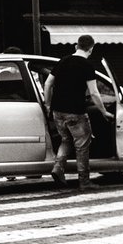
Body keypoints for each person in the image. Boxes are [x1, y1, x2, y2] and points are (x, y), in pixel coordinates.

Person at [43, 34, 108, 190]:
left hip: (58, 111)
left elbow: (47, 84)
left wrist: (48, 105)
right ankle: (84, 181)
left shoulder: (63, 61)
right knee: (82, 146)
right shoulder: (87, 66)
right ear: (91, 49)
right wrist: (104, 112)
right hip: (76, 112)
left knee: (66, 140)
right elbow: (94, 93)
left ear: (76, 46)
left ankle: (58, 168)